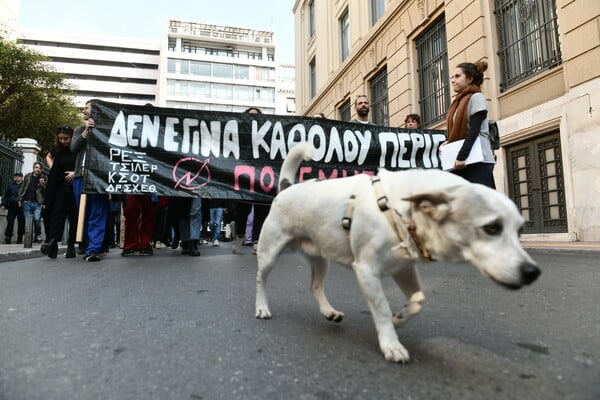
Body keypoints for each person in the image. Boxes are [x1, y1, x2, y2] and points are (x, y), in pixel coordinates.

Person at [444, 60, 496, 188]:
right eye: (452, 77)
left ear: (470, 79)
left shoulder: (476, 97)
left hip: (477, 160)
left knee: (480, 204)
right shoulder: (457, 102)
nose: (453, 80)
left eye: (457, 76)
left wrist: (462, 156)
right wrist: (448, 142)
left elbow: (474, 130)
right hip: (463, 160)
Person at [71, 100, 109, 262]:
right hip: (81, 176)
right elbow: (73, 148)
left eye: (87, 107)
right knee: (83, 213)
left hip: (99, 178)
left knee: (97, 213)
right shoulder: (79, 130)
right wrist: (86, 132)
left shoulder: (106, 131)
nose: (84, 110)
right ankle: (87, 244)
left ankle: (94, 248)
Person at [41, 125, 78, 258]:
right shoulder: (57, 149)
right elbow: (48, 156)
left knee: (74, 216)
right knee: (57, 214)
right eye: (60, 138)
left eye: (66, 138)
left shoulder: (77, 149)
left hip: (74, 186)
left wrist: (76, 173)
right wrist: (52, 167)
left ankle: (71, 245)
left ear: (72, 137)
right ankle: (52, 243)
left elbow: (84, 163)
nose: (63, 141)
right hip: (59, 186)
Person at [18, 161, 45, 243]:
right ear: (33, 168)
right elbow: (22, 188)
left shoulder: (43, 178)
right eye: (36, 167)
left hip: (37, 203)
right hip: (27, 202)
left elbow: (45, 192)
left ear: (41, 170)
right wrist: (20, 199)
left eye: (39, 168)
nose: (38, 169)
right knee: (28, 221)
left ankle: (38, 235)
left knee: (37, 219)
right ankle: (28, 239)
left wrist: (42, 185)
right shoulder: (27, 176)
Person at [2, 172, 25, 244]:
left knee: (21, 222)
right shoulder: (11, 185)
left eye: (18, 176)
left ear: (21, 177)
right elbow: (6, 195)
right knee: (10, 220)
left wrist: (22, 201)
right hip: (12, 205)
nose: (17, 177)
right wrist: (3, 204)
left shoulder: (24, 185)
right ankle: (8, 237)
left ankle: (20, 237)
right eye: (16, 176)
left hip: (21, 205)